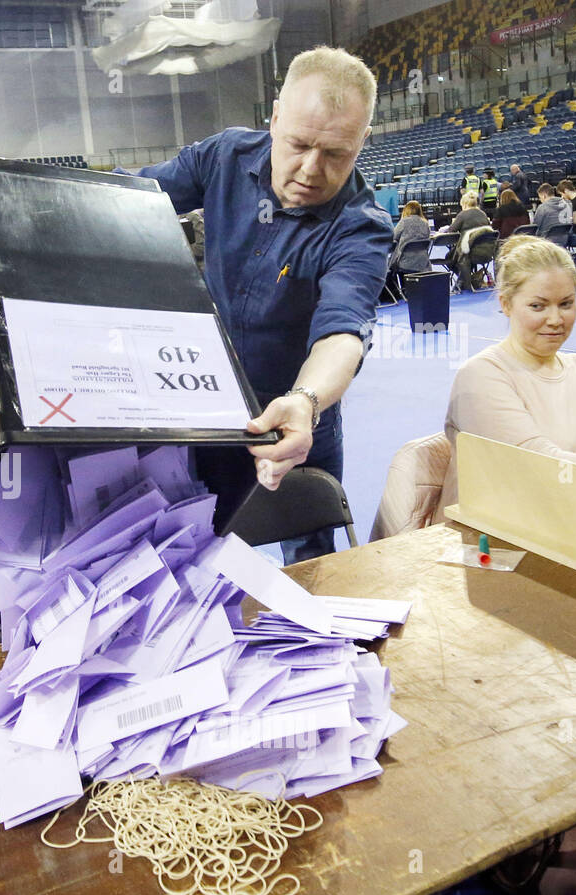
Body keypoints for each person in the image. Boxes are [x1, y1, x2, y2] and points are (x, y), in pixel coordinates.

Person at [131, 45, 391, 561]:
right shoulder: (223, 157)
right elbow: (127, 198)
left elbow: (343, 331)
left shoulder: (361, 228)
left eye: (336, 154)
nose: (311, 169)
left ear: (363, 142)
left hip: (296, 417)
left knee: (312, 556)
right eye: (298, 144)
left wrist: (306, 400)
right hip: (204, 407)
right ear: (274, 119)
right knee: (190, 548)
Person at [441, 236, 576, 511]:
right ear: (506, 304)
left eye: (566, 304)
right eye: (538, 306)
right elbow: (541, 466)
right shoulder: (480, 376)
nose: (555, 319)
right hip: (504, 531)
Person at [440, 191, 492, 291]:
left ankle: (465, 280)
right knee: (457, 256)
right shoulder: (483, 214)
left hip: (468, 252)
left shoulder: (462, 215)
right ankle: (467, 279)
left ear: (464, 204)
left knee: (449, 258)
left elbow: (451, 230)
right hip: (487, 251)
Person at [385, 201, 430, 300]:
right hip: (422, 262)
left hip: (405, 262)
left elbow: (393, 237)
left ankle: (398, 292)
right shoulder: (425, 223)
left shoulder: (404, 222)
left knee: (390, 264)